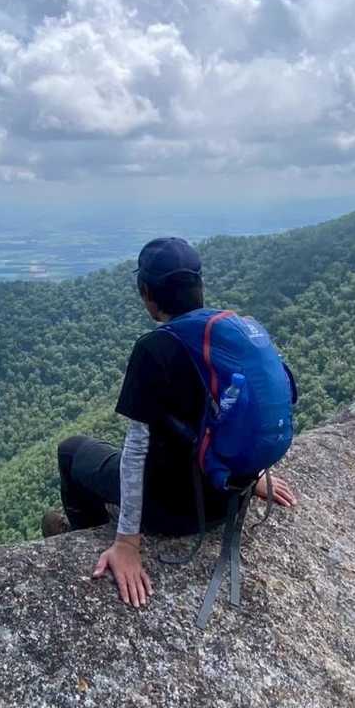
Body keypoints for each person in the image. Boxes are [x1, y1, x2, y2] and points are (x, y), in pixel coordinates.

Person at [43, 236, 296, 608]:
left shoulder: (155, 348)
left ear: (146, 293)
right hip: (231, 496)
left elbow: (136, 452)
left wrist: (128, 542)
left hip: (173, 512)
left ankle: (91, 537)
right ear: (200, 285)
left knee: (71, 450)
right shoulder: (234, 333)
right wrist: (250, 474)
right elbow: (250, 406)